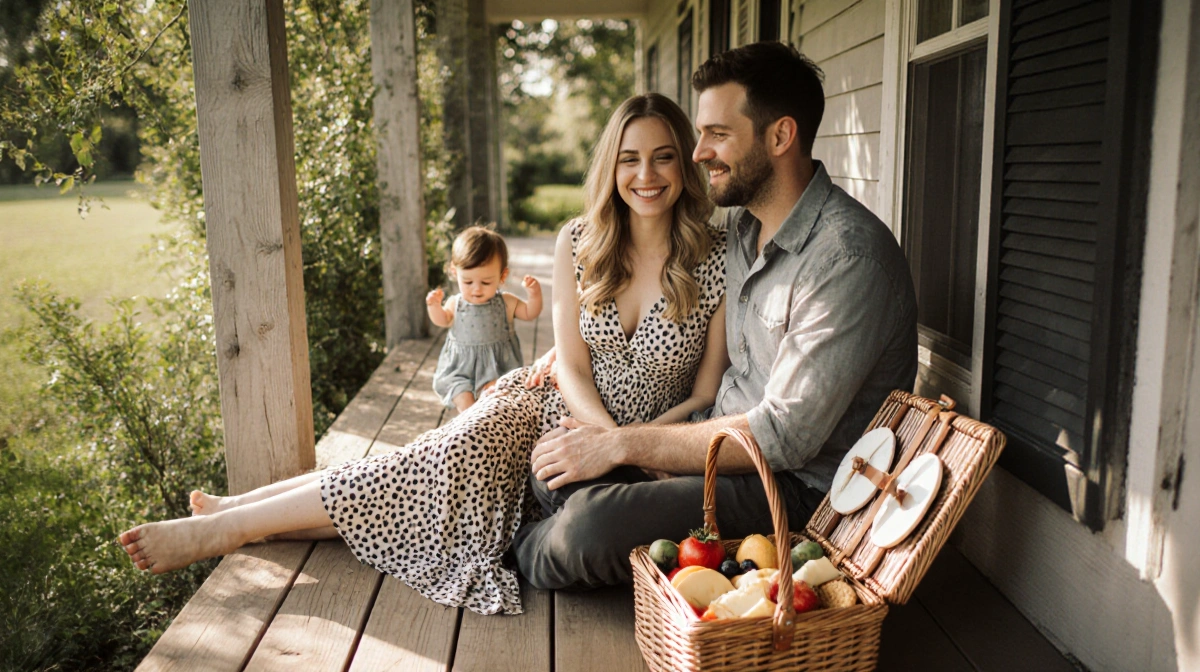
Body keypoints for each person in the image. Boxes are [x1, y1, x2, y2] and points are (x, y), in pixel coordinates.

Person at [117, 93, 729, 616]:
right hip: (549, 409)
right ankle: (230, 523)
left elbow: (704, 394)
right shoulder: (580, 240)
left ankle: (239, 514)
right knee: (435, 460)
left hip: (643, 438)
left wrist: (629, 445)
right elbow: (567, 362)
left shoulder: (719, 257)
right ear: (610, 167)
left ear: (684, 162)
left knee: (423, 484)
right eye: (629, 159)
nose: (645, 174)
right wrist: (597, 437)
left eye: (662, 156)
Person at [512, 41, 919, 591]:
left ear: (779, 136)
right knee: (555, 471)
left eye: (717, 135)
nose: (698, 152)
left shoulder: (848, 258)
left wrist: (624, 445)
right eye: (700, 134)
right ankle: (597, 523)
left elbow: (784, 437)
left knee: (585, 526)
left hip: (788, 489)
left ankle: (524, 548)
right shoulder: (745, 233)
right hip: (712, 454)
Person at [426, 226, 542, 412]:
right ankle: (467, 424)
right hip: (459, 371)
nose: (476, 289)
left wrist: (534, 295)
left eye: (486, 282)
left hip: (497, 369)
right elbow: (442, 320)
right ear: (455, 273)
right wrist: (434, 306)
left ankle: (485, 423)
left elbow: (530, 313)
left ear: (502, 276)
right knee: (464, 400)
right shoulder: (455, 304)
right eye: (468, 282)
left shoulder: (506, 302)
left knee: (495, 399)